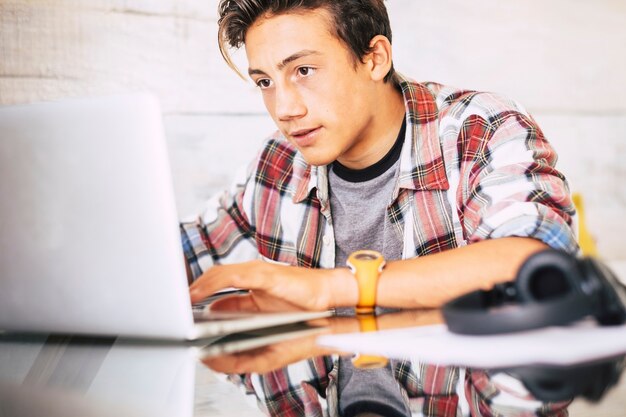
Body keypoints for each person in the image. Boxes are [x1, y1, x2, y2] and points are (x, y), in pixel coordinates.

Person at [181, 0, 578, 312]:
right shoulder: (279, 162)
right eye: (265, 81)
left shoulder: (479, 128)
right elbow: (187, 253)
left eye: (303, 70)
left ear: (375, 59)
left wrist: (332, 287)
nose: (284, 108)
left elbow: (537, 260)